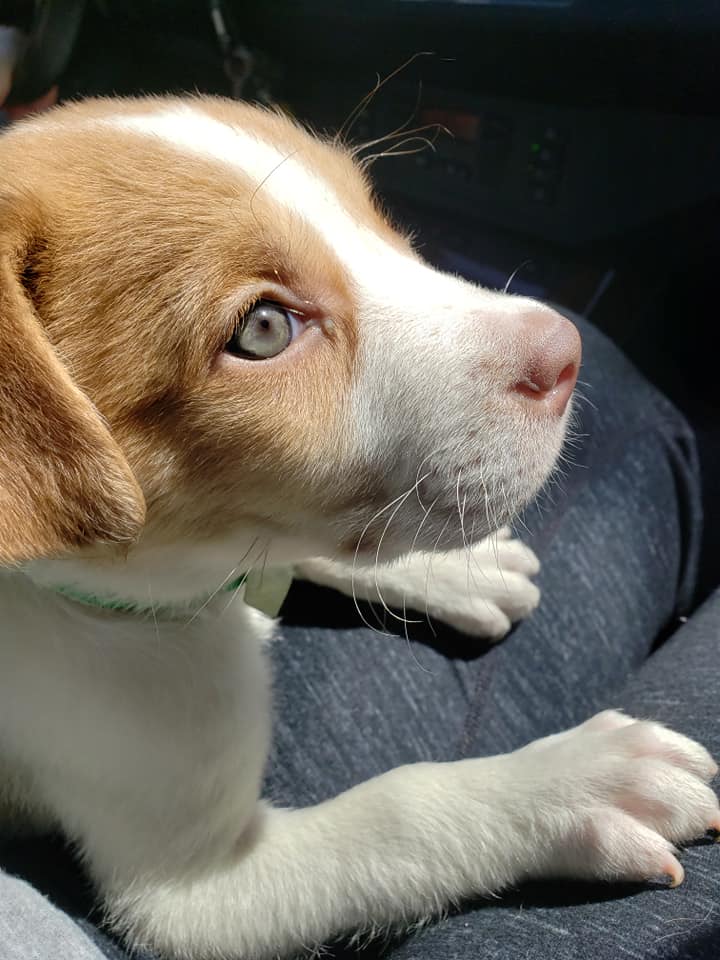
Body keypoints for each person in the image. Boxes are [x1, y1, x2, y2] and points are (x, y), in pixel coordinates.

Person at [0, 86, 716, 958]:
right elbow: (197, 898)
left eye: (368, 213)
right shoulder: (78, 685)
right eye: (264, 328)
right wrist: (508, 812)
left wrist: (353, 554)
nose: (540, 341)